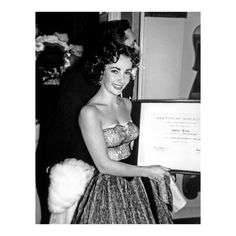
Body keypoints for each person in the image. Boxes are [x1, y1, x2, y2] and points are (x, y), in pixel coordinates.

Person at [36, 19, 140, 224]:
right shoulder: (78, 80)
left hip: (118, 172)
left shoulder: (125, 81)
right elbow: (66, 127)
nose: (137, 47)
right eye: (132, 42)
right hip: (85, 171)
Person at [64, 41, 173, 224]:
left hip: (138, 182)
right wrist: (147, 172)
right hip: (108, 187)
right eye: (115, 70)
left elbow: (137, 148)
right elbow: (104, 165)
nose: (122, 79)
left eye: (127, 72)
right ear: (101, 71)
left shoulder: (127, 104)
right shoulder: (90, 112)